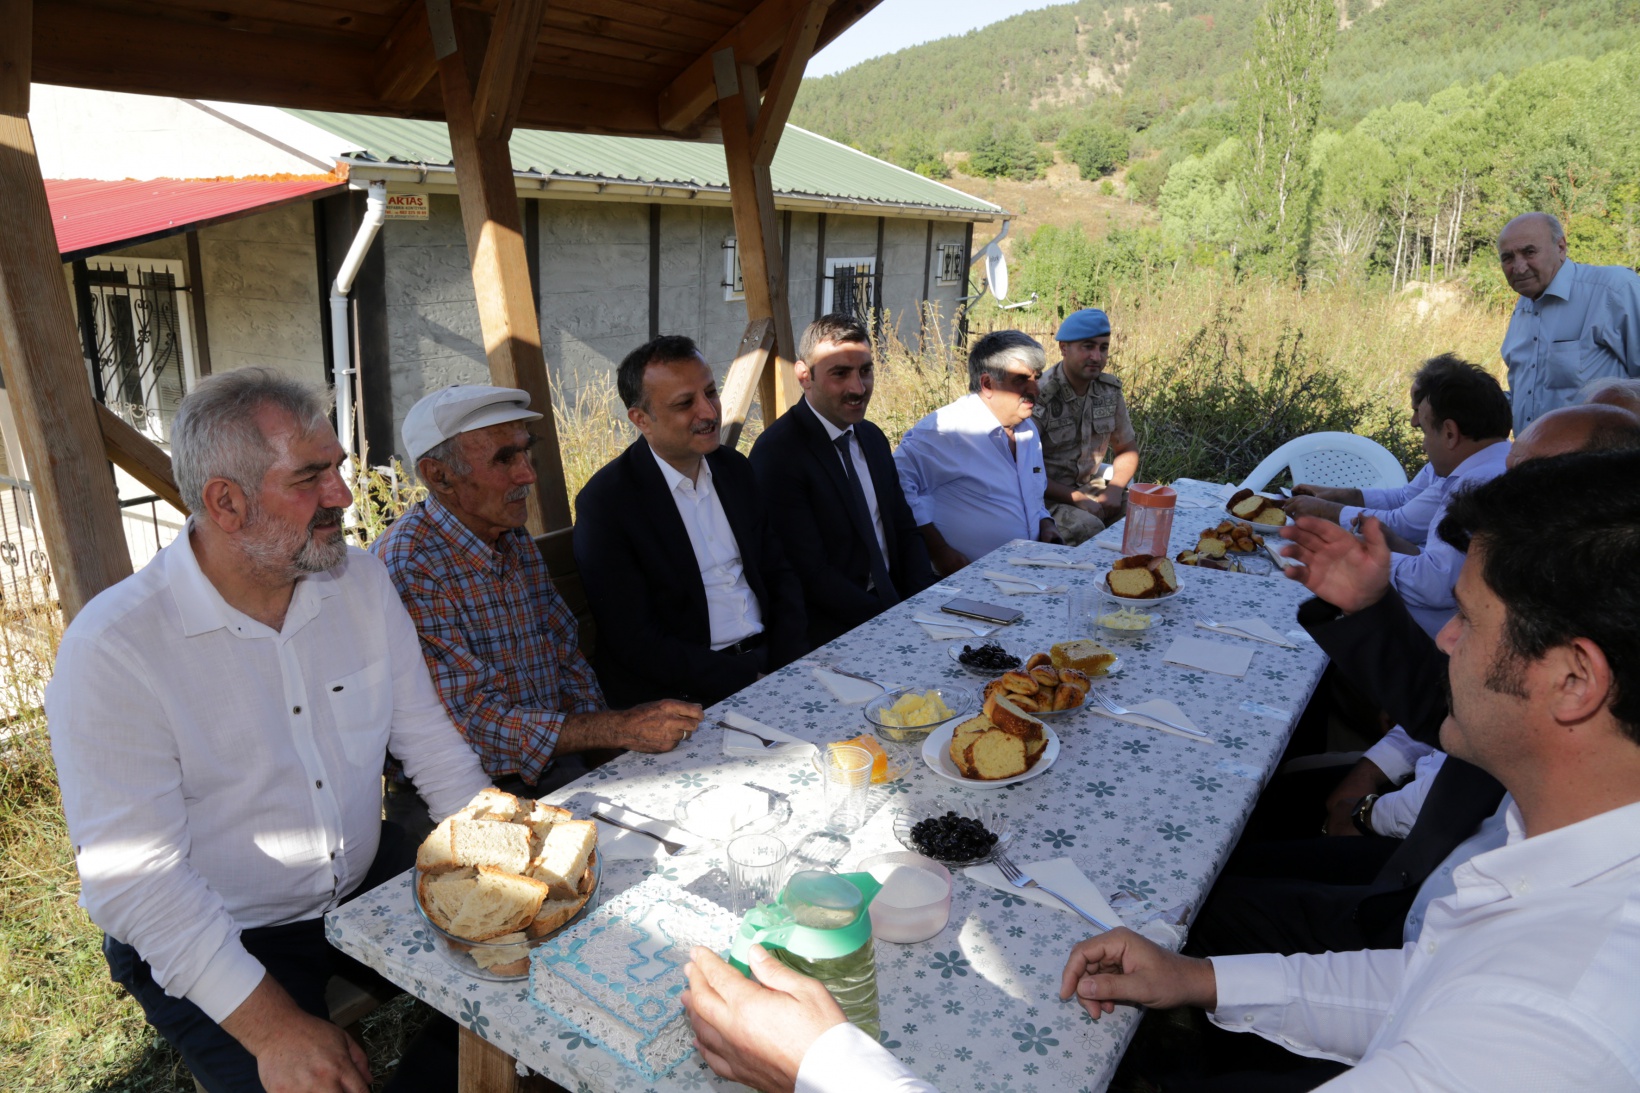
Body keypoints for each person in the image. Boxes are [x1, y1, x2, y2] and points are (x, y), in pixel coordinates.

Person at [687, 449, 1640, 1093]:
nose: (1442, 635)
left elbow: (1473, 1012)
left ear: (1572, 680)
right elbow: (1420, 985)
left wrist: (823, 1065)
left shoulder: (1547, 1030)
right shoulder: (1561, 855)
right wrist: (1199, 979)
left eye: (1467, 619)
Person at [47, 369, 494, 1093]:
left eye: (339, 469)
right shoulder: (116, 649)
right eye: (311, 477)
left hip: (359, 888)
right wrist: (274, 1028)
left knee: (542, 976)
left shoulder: (360, 583)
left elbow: (431, 743)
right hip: (218, 930)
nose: (343, 497)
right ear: (226, 501)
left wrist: (502, 854)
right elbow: (140, 887)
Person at [372, 385, 703, 822]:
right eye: (504, 459)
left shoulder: (508, 533)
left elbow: (565, 654)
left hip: (555, 763)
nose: (527, 475)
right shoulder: (409, 566)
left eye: (526, 454)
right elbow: (473, 724)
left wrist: (608, 749)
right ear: (439, 476)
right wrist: (616, 729)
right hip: (459, 794)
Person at [573, 335, 806, 708]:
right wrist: (750, 681)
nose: (710, 413)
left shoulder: (734, 469)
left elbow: (779, 574)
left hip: (770, 662)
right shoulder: (608, 503)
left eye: (711, 393)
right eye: (685, 403)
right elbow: (635, 640)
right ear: (640, 419)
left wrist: (787, 661)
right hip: (682, 694)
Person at [748, 314, 935, 649]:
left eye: (865, 370)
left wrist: (922, 600)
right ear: (805, 375)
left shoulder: (872, 437)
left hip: (894, 607)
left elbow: (905, 529)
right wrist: (889, 619)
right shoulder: (778, 454)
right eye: (840, 373)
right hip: (828, 632)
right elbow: (809, 573)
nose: (858, 389)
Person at [1338, 354, 1511, 637]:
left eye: (1426, 432)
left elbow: (1435, 585)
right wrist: (1396, 545)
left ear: (1450, 433)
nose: (1424, 446)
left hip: (1434, 652)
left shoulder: (1476, 486)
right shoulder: (1493, 468)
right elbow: (1451, 566)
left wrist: (1358, 553)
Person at [893, 330, 1060, 575]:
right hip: (963, 583)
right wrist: (939, 552)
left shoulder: (1027, 431)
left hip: (1025, 574)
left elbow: (1029, 494)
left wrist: (1045, 524)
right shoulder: (945, 430)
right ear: (987, 384)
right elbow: (895, 485)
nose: (1035, 389)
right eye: (1021, 379)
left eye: (1037, 377)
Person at [1496, 211, 1640, 436]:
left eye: (1529, 252)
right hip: (1532, 464)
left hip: (1600, 463)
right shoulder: (1523, 306)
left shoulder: (1614, 290)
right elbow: (1531, 395)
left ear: (1561, 248)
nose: (1519, 267)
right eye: (1508, 258)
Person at [1033, 307, 1139, 545]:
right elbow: (1024, 469)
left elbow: (1126, 449)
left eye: (1103, 348)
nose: (1096, 357)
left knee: (1141, 514)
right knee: (1087, 527)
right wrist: (1076, 498)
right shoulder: (1041, 394)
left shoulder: (1108, 391)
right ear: (1064, 348)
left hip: (1089, 487)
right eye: (1088, 346)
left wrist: (1115, 489)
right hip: (1044, 497)